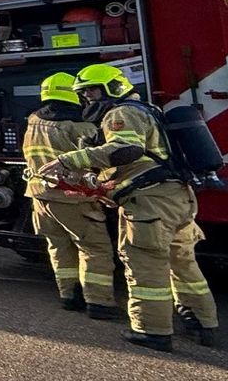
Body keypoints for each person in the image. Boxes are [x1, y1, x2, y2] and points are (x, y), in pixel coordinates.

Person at [56, 62, 218, 352]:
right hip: (177, 197)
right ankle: (203, 322)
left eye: (91, 92)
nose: (87, 99)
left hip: (150, 203)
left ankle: (152, 331)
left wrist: (70, 160)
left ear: (111, 88)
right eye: (83, 94)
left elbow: (127, 149)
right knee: (183, 263)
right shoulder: (147, 109)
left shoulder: (120, 113)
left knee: (146, 266)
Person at [20, 73, 118, 319]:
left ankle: (69, 296)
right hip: (73, 197)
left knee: (58, 246)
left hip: (40, 195)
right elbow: (102, 159)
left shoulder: (33, 120)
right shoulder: (81, 126)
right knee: (94, 248)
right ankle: (99, 302)